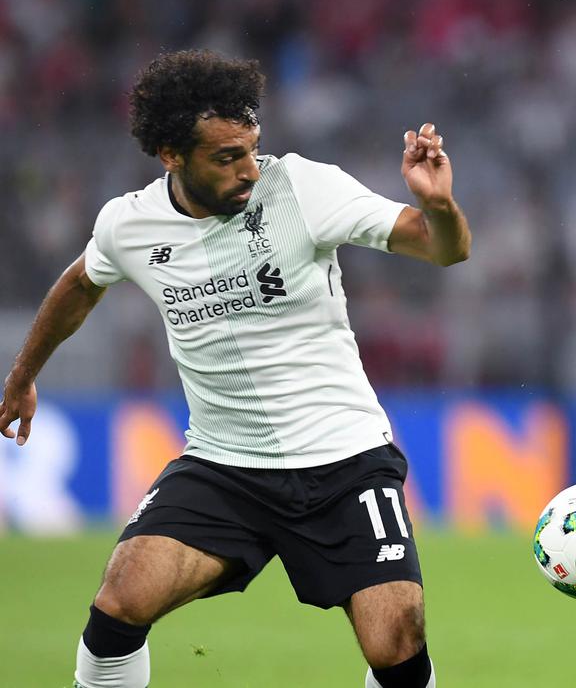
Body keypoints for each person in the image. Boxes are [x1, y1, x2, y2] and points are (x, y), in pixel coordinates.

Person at [0, 50, 469, 688]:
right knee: (118, 606)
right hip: (226, 467)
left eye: (252, 148)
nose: (249, 169)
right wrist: (24, 374)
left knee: (396, 642)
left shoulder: (301, 187)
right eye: (226, 157)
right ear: (170, 154)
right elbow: (82, 283)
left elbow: (445, 251)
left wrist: (438, 206)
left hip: (344, 458)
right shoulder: (129, 225)